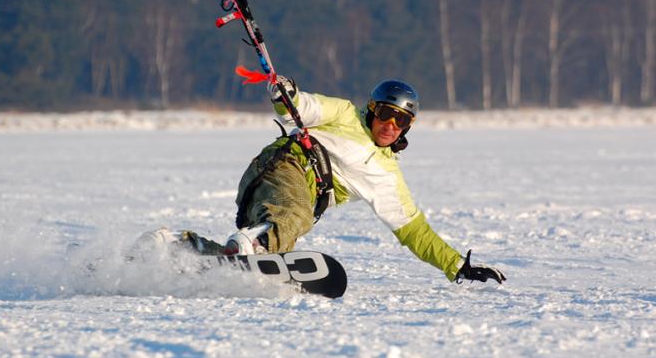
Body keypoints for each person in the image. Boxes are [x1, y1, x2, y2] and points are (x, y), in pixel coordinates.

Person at [181, 77, 506, 285]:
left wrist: (458, 266)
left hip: (275, 194)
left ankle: (184, 249)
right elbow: (301, 107)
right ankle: (252, 245)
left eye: (402, 120)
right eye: (386, 114)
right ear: (372, 110)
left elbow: (415, 233)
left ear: (408, 127)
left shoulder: (386, 178)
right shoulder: (345, 115)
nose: (391, 124)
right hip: (286, 167)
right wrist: (286, 93)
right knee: (294, 218)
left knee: (272, 255)